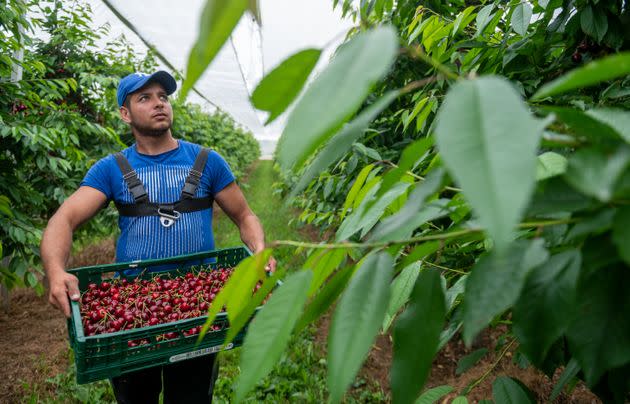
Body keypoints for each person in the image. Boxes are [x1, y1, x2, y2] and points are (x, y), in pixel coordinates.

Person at [40, 70, 275, 403]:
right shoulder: (111, 169)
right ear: (125, 113)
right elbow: (64, 219)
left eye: (163, 97)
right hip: (133, 314)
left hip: (199, 309)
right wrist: (56, 271)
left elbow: (245, 215)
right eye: (144, 98)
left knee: (191, 396)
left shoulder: (207, 161)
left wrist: (260, 249)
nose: (158, 104)